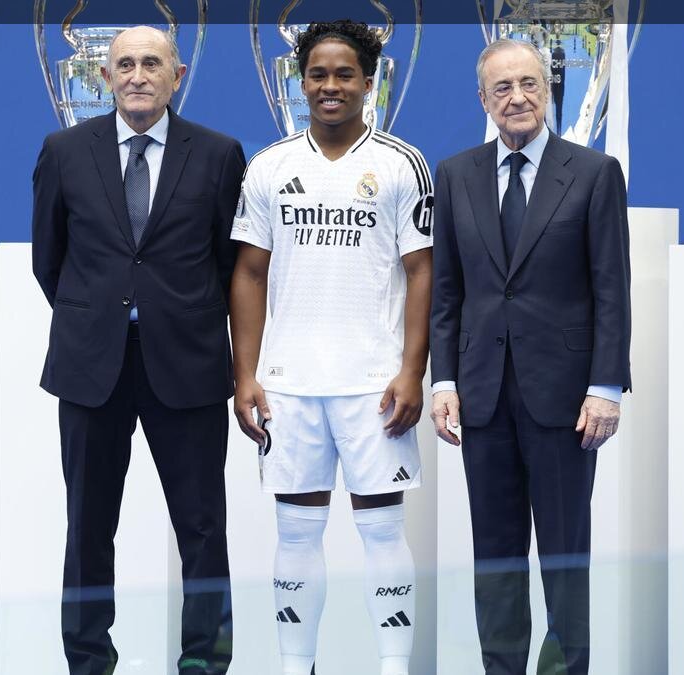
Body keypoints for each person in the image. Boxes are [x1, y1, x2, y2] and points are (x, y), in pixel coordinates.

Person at [31, 25, 246, 675]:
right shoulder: (65, 151)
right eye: (124, 64)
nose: (137, 75)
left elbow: (231, 263)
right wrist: (100, 315)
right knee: (88, 526)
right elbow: (49, 260)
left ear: (177, 77)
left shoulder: (219, 154)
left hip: (187, 362)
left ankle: (205, 661)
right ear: (106, 77)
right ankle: (88, 660)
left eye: (152, 63)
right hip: (92, 363)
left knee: (202, 527)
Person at [228, 20, 434, 675]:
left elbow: (422, 272)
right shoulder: (269, 166)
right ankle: (297, 665)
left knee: (383, 530)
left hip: (374, 384)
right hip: (289, 383)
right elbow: (249, 273)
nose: (330, 86)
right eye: (318, 74)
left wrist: (412, 370)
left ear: (369, 83)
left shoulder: (401, 163)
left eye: (345, 74)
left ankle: (394, 666)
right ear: (301, 82)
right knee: (295, 532)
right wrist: (245, 374)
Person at [429, 38, 631, 675]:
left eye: (528, 84)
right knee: (495, 556)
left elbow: (612, 289)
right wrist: (443, 381)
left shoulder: (594, 172)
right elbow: (447, 291)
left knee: (565, 555)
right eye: (502, 88)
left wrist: (606, 386)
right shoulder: (455, 174)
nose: (516, 98)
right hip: (482, 397)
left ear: (546, 90)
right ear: (483, 100)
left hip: (566, 400)